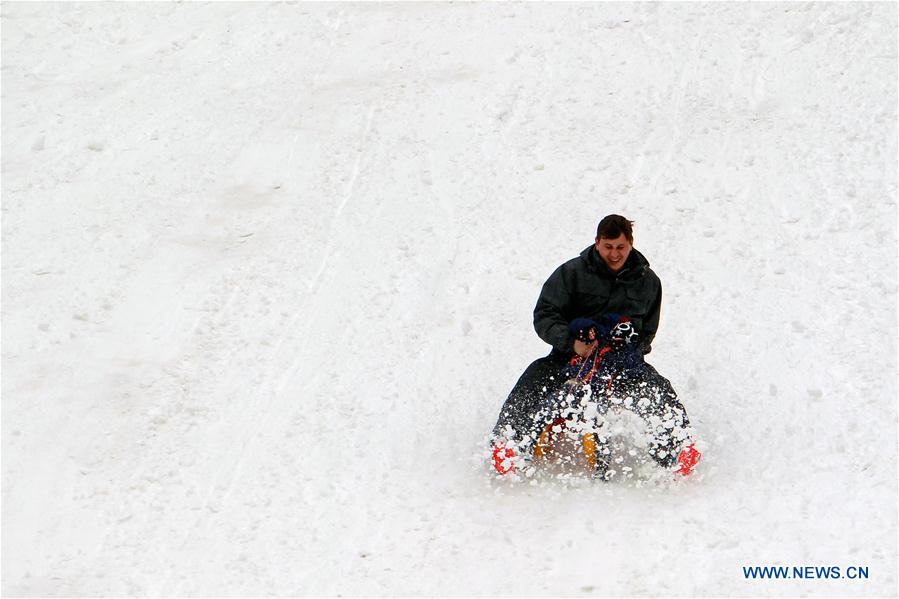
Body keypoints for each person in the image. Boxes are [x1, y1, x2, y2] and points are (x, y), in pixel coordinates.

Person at [490, 214, 699, 478]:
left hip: (620, 363)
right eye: (608, 247)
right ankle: (509, 444)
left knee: (655, 387)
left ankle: (677, 448)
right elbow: (545, 314)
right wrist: (571, 343)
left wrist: (625, 351)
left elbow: (647, 331)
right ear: (597, 243)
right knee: (535, 378)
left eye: (620, 247)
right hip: (570, 357)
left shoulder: (648, 282)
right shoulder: (571, 273)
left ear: (630, 244)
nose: (614, 254)